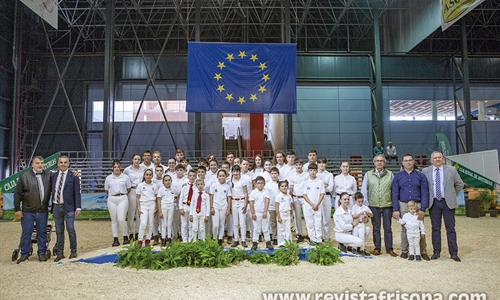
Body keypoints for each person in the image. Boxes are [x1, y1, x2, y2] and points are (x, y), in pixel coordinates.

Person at [422, 151, 464, 262]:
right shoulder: (425, 171)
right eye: (435, 158)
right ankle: (436, 252)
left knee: (450, 229)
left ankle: (453, 253)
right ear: (431, 160)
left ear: (443, 159)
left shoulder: (451, 170)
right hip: (434, 202)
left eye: (439, 157)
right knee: (435, 228)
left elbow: (460, 184)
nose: (437, 159)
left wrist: (452, 194)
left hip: (447, 202)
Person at [14, 156, 52, 263]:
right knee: (27, 232)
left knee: (42, 232)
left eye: (41, 163)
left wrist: (75, 172)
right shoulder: (24, 177)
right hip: (27, 211)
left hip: (42, 210)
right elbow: (17, 194)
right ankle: (24, 254)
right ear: (32, 165)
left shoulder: (48, 175)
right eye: (37, 163)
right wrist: (17, 208)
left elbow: (62, 175)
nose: (40, 165)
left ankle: (41, 253)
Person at [392, 154, 430, 260]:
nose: (408, 162)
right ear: (403, 163)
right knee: (404, 228)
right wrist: (396, 209)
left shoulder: (420, 176)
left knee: (419, 227)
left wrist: (423, 208)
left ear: (413, 162)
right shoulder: (398, 177)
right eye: (406, 161)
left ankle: (422, 251)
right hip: (403, 204)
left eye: (410, 160)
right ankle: (405, 251)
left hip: (417, 204)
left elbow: (425, 192)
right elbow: (394, 194)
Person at [361, 155, 397, 257]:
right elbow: (364, 190)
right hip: (373, 205)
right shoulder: (368, 174)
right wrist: (366, 204)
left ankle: (389, 249)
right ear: (374, 163)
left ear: (384, 162)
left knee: (388, 228)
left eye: (381, 161)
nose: (379, 163)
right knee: (376, 228)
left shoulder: (390, 174)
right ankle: (377, 248)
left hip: (387, 205)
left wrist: (394, 205)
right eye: (377, 161)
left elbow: (394, 191)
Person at [51, 155, 82, 262]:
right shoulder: (53, 176)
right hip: (56, 207)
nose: (63, 164)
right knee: (59, 231)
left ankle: (73, 251)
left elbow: (77, 193)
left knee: (70, 229)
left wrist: (78, 207)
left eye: (65, 162)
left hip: (69, 207)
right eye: (61, 162)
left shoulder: (74, 176)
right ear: (58, 164)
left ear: (68, 164)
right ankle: (60, 253)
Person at [104, 160, 131, 247]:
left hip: (122, 197)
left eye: (118, 167)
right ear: (112, 168)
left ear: (121, 167)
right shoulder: (108, 178)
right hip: (112, 198)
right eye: (115, 167)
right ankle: (115, 238)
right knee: (114, 220)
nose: (116, 169)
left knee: (121, 219)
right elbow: (106, 190)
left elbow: (128, 189)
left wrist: (122, 194)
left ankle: (125, 236)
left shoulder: (125, 177)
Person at [123, 154, 146, 241]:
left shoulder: (143, 169)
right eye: (135, 159)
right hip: (132, 191)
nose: (137, 161)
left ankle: (138, 233)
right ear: (132, 160)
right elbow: (124, 180)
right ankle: (130, 232)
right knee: (131, 214)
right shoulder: (127, 170)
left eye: (138, 159)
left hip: (141, 191)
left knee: (139, 213)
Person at [249, 176, 273, 251]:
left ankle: (268, 243)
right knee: (256, 229)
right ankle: (255, 243)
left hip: (264, 212)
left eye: (262, 183)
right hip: (256, 212)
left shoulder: (266, 191)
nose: (260, 185)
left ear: (264, 184)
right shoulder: (253, 192)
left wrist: (265, 211)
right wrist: (253, 213)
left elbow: (267, 201)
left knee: (265, 228)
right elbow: (251, 203)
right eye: (258, 183)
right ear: (255, 184)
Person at [302, 163, 325, 245]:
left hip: (318, 206)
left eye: (314, 170)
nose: (312, 172)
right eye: (311, 170)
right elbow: (304, 195)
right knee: (310, 223)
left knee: (318, 223)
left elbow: (322, 194)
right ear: (308, 171)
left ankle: (318, 239)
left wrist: (317, 204)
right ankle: (312, 239)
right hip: (308, 206)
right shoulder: (306, 182)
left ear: (317, 171)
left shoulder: (320, 182)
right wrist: (312, 204)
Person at [136, 169, 159, 247]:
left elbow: (156, 198)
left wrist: (157, 208)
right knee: (143, 223)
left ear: (152, 176)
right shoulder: (140, 185)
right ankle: (140, 240)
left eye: (150, 175)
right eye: (147, 174)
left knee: (150, 223)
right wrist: (138, 208)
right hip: (143, 205)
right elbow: (138, 197)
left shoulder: (154, 186)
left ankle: (148, 240)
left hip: (152, 204)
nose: (148, 176)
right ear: (144, 176)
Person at [288, 158, 308, 243]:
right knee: (298, 217)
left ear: (302, 165)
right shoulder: (292, 175)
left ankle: (309, 234)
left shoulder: (306, 175)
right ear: (294, 166)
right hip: (296, 198)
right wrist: (291, 198)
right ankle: (300, 234)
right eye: (296, 165)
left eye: (300, 164)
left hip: (305, 198)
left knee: (307, 217)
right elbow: (291, 187)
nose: (298, 166)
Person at [229, 165, 249, 248]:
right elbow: (229, 194)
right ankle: (236, 239)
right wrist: (229, 206)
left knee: (242, 222)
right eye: (234, 171)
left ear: (239, 172)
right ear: (232, 172)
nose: (235, 173)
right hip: (234, 201)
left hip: (241, 201)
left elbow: (246, 193)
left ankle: (243, 239)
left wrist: (245, 204)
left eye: (237, 171)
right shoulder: (230, 182)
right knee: (235, 222)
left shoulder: (243, 181)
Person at [210, 169, 231, 245]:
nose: (221, 177)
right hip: (215, 206)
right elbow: (211, 196)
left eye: (223, 176)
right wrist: (211, 207)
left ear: (226, 176)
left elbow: (229, 198)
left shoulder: (227, 186)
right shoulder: (214, 185)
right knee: (216, 224)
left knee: (222, 223)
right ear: (217, 177)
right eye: (220, 176)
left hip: (224, 206)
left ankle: (220, 239)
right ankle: (214, 238)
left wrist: (228, 209)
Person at [157, 174, 179, 246]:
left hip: (171, 206)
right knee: (164, 223)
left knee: (169, 223)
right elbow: (159, 200)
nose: (167, 182)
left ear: (171, 181)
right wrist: (160, 211)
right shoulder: (161, 189)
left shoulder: (173, 189)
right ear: (163, 182)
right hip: (164, 206)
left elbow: (178, 193)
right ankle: (163, 238)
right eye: (166, 180)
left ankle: (169, 238)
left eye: (169, 180)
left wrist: (176, 198)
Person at [317, 156, 334, 241]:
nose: (321, 164)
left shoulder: (329, 175)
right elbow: (314, 188)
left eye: (323, 162)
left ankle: (327, 239)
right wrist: (324, 185)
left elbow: (330, 188)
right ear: (317, 164)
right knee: (318, 219)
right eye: (320, 162)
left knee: (327, 219)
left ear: (326, 164)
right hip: (316, 197)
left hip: (326, 197)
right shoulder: (315, 174)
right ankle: (318, 238)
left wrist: (320, 187)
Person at [350, 192, 372, 256]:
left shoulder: (365, 207)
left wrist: (368, 213)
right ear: (355, 201)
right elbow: (353, 216)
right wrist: (360, 214)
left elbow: (371, 215)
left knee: (362, 236)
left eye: (361, 201)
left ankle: (362, 249)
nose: (360, 203)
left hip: (362, 223)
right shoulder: (354, 207)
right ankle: (353, 248)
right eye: (359, 202)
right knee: (355, 235)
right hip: (356, 224)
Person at [179, 169, 197, 243]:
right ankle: (184, 240)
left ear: (196, 177)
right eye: (190, 176)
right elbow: (181, 197)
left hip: (193, 208)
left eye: (193, 176)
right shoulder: (185, 186)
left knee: (191, 224)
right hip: (185, 206)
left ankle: (191, 240)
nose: (192, 177)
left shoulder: (196, 187)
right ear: (188, 177)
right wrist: (180, 208)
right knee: (184, 224)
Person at [275, 180, 293, 247]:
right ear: (279, 188)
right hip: (281, 214)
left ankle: (288, 242)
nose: (284, 187)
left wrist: (291, 216)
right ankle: (281, 243)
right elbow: (277, 207)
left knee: (288, 228)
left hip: (288, 214)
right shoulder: (278, 196)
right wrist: (278, 216)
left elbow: (291, 206)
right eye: (282, 186)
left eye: (285, 186)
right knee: (281, 229)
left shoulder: (289, 196)